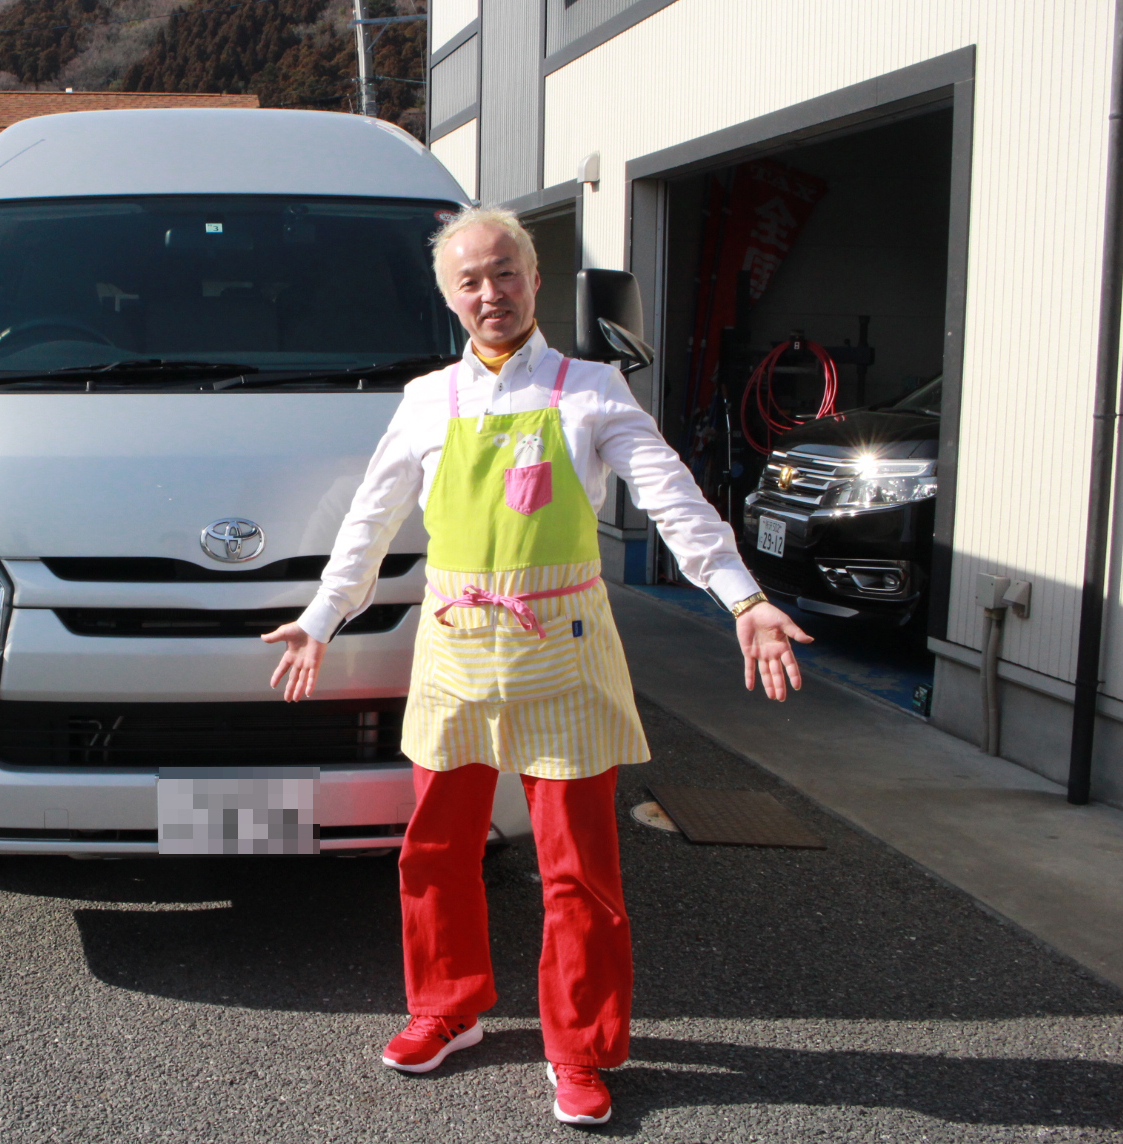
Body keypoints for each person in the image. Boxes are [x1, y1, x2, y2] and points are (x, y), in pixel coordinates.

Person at [261, 206, 810, 1128]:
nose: (490, 294)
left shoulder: (591, 390)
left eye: (504, 273)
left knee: (577, 865)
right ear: (449, 298)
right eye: (469, 281)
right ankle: (448, 1006)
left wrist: (743, 600)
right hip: (457, 648)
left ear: (535, 277)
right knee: (436, 846)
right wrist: (323, 614)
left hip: (564, 649)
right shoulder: (426, 399)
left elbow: (672, 497)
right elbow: (373, 517)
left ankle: (583, 1048)